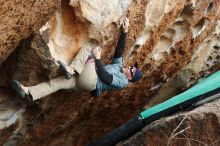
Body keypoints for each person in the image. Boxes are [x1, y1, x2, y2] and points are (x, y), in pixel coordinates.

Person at [11, 18, 142, 101]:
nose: (130, 66)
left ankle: (72, 69)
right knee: (54, 84)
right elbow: (119, 51)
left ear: (130, 77)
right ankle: (28, 91)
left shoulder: (123, 81)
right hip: (80, 84)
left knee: (91, 47)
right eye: (132, 66)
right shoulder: (119, 67)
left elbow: (105, 77)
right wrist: (125, 31)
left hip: (91, 81)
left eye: (132, 69)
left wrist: (97, 58)